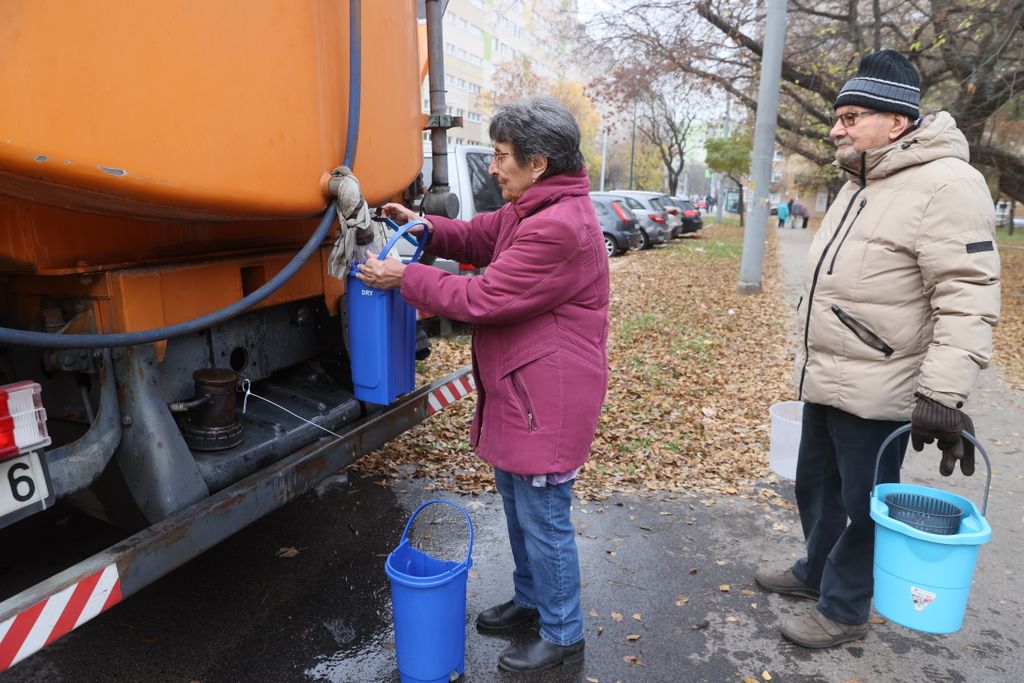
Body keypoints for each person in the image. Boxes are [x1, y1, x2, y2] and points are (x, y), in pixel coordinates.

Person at [755, 49, 1000, 648]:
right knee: (815, 484)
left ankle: (843, 609)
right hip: (827, 375)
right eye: (836, 116)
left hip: (883, 383)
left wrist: (942, 392)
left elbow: (967, 293)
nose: (837, 127)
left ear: (898, 122)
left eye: (852, 115)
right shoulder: (858, 180)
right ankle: (816, 570)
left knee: (865, 504)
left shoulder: (948, 182)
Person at [357, 96, 609, 673]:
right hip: (523, 387)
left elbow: (485, 297)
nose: (492, 168)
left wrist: (407, 277)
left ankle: (563, 630)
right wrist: (426, 228)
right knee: (521, 509)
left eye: (501, 157)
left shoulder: (559, 228)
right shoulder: (532, 209)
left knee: (543, 519)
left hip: (547, 395)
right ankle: (531, 600)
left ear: (539, 162)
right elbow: (479, 236)